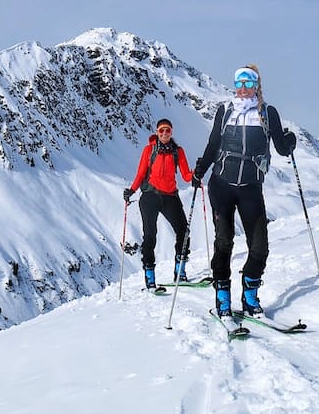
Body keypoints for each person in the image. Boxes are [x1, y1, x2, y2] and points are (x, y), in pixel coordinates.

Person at [192, 65, 296, 321]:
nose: (243, 87)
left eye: (249, 81)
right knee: (224, 242)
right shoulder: (225, 110)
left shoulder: (268, 113)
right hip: (221, 185)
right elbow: (214, 143)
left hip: (251, 188)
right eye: (239, 81)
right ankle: (223, 297)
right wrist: (200, 170)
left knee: (259, 247)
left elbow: (282, 149)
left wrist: (289, 140)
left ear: (257, 85)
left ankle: (249, 296)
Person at [123, 118, 195, 289]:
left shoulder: (178, 151)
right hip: (150, 196)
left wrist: (196, 174)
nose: (164, 133)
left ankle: (180, 272)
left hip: (170, 196)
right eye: (161, 130)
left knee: (183, 232)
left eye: (167, 130)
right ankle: (149, 275)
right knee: (150, 235)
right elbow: (141, 173)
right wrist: (131, 191)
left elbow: (186, 175)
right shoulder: (149, 150)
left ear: (171, 132)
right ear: (156, 132)